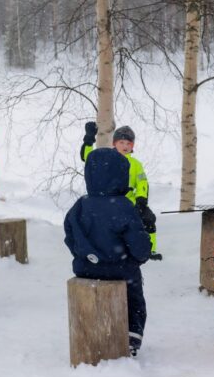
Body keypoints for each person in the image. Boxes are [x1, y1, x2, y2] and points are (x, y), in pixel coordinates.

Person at [64, 148, 152, 356]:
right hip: (120, 269)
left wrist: (83, 254)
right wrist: (140, 256)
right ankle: (132, 335)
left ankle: (91, 332)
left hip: (86, 268)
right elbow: (138, 244)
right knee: (134, 298)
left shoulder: (81, 205)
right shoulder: (124, 206)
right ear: (121, 175)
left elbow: (70, 233)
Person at [81, 122, 161, 261]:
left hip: (128, 201)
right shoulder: (105, 158)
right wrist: (89, 139)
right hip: (107, 201)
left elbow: (142, 182)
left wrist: (141, 200)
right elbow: (87, 157)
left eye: (128, 143)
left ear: (132, 146)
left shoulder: (136, 164)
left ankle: (149, 250)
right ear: (114, 143)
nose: (125, 146)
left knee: (148, 219)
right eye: (122, 142)